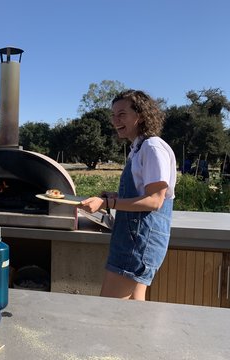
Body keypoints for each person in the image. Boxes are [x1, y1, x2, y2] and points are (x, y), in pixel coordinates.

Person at [78, 89, 176, 301]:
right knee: (133, 309)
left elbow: (155, 200)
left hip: (139, 241)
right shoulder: (138, 148)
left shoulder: (152, 147)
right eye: (113, 115)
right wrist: (113, 197)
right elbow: (143, 192)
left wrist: (107, 202)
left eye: (122, 114)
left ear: (140, 115)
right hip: (134, 238)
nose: (115, 120)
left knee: (110, 309)